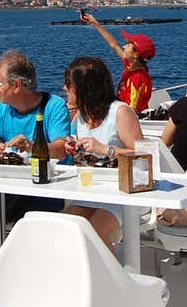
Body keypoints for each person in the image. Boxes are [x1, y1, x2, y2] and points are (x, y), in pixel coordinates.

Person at [0, 49, 71, 234]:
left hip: (49, 188)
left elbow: (61, 150)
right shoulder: (1, 110)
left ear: (16, 85)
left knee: (25, 230)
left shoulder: (53, 106)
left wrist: (31, 147)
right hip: (9, 186)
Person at [62, 57, 145, 251]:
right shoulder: (80, 116)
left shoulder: (120, 112)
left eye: (68, 84)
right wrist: (73, 147)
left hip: (126, 192)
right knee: (66, 227)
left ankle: (112, 280)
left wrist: (105, 149)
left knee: (94, 232)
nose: (64, 89)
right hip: (93, 190)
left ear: (85, 88)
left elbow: (145, 157)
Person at [81, 12, 155, 114]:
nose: (124, 47)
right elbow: (114, 45)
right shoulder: (132, 66)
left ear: (136, 55)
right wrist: (94, 23)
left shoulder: (137, 77)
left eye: (128, 46)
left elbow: (132, 109)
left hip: (128, 119)